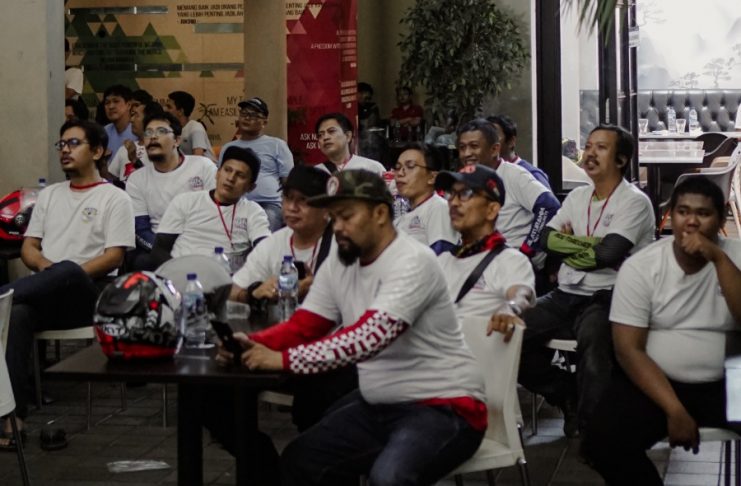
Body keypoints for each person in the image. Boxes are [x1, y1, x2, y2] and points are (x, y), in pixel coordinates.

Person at [223, 170, 487, 486]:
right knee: (301, 460)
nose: (338, 227)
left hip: (445, 407)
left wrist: (281, 360)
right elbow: (306, 324)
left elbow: (368, 336)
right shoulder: (341, 262)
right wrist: (252, 343)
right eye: (334, 217)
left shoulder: (413, 261)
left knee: (389, 478)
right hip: (380, 403)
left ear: (380, 214)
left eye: (347, 216)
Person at [583, 176, 741, 484]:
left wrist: (718, 258)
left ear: (721, 220)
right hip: (656, 382)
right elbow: (628, 349)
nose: (691, 222)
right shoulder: (642, 267)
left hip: (731, 377)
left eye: (703, 213)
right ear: (671, 217)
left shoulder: (734, 256)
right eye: (683, 212)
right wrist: (675, 410)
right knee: (602, 442)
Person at [0, 119, 134, 449]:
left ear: (98, 151)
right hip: (47, 292)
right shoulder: (49, 195)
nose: (65, 150)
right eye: (61, 144)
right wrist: (50, 273)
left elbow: (114, 257)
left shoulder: (115, 198)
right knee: (15, 315)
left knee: (70, 271)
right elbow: (29, 248)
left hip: (90, 293)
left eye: (74, 143)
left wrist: (63, 273)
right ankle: (13, 420)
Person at [518, 124, 655, 438]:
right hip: (565, 293)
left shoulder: (633, 201)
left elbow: (607, 255)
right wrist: (591, 246)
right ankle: (566, 392)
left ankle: (594, 432)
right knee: (508, 334)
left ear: (621, 160)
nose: (590, 153)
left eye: (601, 148)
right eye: (589, 145)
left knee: (594, 351)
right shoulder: (578, 196)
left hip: (611, 295)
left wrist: (574, 247)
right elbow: (545, 239)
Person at [227, 165, 357, 432]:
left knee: (316, 400)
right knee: (215, 396)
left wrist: (316, 288)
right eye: (287, 198)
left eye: (304, 201)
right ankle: (259, 456)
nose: (292, 208)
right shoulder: (275, 243)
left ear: (326, 210)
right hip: (280, 343)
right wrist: (253, 292)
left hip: (331, 354)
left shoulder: (343, 245)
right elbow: (231, 291)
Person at [435, 164, 535, 322]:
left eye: (465, 193)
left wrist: (511, 308)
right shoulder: (443, 260)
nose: (453, 202)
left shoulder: (511, 260)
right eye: (451, 194)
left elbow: (521, 294)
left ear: (492, 210)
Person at [457, 118, 560, 266]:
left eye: (474, 146)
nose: (467, 153)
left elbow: (549, 206)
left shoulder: (514, 174)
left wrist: (527, 249)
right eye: (462, 147)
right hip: (481, 264)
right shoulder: (465, 179)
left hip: (514, 267)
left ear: (494, 149)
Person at [148, 146, 270, 271]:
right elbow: (159, 250)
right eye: (227, 170)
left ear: (250, 187)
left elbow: (265, 247)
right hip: (184, 276)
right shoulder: (186, 201)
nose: (231, 178)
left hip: (227, 278)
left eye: (240, 175)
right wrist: (178, 274)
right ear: (217, 173)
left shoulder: (253, 211)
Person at [126, 112, 216, 253]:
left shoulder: (203, 166)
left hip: (203, 243)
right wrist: (170, 254)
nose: (153, 137)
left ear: (177, 141)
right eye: (148, 133)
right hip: (160, 247)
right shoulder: (136, 179)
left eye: (161, 131)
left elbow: (218, 215)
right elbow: (141, 229)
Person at [219, 97, 294, 231]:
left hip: (268, 205)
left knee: (266, 229)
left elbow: (288, 181)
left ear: (264, 122)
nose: (247, 118)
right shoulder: (228, 148)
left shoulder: (277, 145)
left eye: (253, 115)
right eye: (244, 113)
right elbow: (220, 178)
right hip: (234, 203)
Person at [393, 143, 458, 254]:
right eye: (397, 167)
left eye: (410, 166)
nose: (400, 173)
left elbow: (442, 257)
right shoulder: (399, 219)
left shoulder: (439, 208)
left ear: (432, 177)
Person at [487, 114, 551, 189]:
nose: (487, 141)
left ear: (511, 141)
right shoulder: (483, 173)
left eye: (494, 136)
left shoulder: (531, 175)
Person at [107, 100, 162, 184]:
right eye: (132, 115)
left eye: (136, 115)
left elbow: (155, 182)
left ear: (150, 120)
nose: (131, 120)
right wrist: (102, 162)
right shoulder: (125, 148)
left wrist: (134, 160)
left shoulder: (161, 150)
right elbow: (111, 179)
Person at [315, 112, 386, 176]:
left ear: (348, 136)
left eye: (331, 131)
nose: (325, 137)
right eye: (320, 135)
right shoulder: (315, 173)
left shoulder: (372, 168)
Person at [165, 90, 215, 161]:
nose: (165, 110)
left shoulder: (196, 128)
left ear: (180, 111)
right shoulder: (172, 129)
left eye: (169, 107)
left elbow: (198, 159)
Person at [102, 84, 136, 159]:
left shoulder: (137, 130)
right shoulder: (105, 131)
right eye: (107, 103)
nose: (111, 106)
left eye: (116, 101)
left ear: (128, 105)